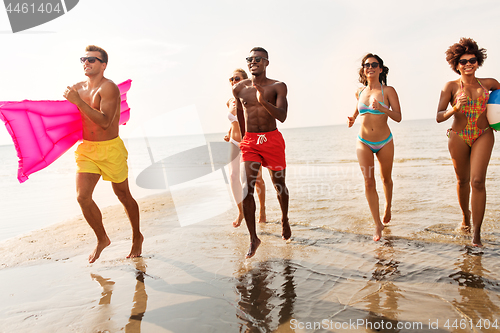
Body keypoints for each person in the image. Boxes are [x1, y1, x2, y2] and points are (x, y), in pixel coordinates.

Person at [63, 45, 143, 263]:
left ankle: (137, 235)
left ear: (103, 65)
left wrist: (78, 102)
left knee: (123, 195)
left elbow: (106, 122)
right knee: (82, 197)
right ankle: (102, 239)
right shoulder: (77, 88)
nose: (86, 63)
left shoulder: (109, 89)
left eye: (91, 60)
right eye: (83, 59)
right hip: (88, 150)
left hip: (110, 149)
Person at [436, 38, 500, 247]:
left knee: (478, 181)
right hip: (459, 135)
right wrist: (455, 108)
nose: (468, 64)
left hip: (483, 133)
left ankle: (477, 234)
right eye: (463, 61)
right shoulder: (451, 86)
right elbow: (439, 116)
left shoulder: (490, 83)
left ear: (478, 61)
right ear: (456, 65)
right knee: (463, 181)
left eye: (472, 60)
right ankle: (465, 217)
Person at [233, 47, 290, 259]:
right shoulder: (239, 89)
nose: (253, 62)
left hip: (272, 139)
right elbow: (240, 114)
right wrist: (243, 138)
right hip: (251, 142)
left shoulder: (278, 86)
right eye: (250, 59)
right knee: (247, 188)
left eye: (258, 59)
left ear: (266, 62)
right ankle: (253, 238)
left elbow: (282, 116)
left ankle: (284, 219)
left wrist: (264, 102)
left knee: (279, 185)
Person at [348, 53, 402, 242]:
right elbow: (359, 106)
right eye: (366, 65)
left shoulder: (388, 91)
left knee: (386, 178)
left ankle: (388, 206)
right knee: (369, 182)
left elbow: (398, 116)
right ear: (363, 69)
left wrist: (382, 108)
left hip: (384, 141)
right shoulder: (360, 92)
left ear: (380, 68)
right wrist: (353, 117)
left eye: (374, 64)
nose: (369, 67)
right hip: (363, 141)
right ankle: (377, 224)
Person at [224, 68, 267, 228]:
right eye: (231, 79)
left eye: (236, 78)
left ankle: (262, 209)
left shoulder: (252, 97)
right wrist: (229, 133)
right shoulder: (230, 101)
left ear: (244, 80)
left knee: (256, 180)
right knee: (233, 177)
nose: (233, 82)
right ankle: (241, 211)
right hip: (234, 143)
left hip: (250, 142)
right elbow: (233, 120)